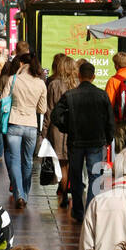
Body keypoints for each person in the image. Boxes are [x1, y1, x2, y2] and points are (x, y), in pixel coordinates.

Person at [52, 60, 116, 223]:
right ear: (93, 77)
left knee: (76, 176)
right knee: (95, 176)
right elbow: (110, 120)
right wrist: (108, 138)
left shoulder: (70, 95)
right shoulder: (102, 95)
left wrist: (67, 126)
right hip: (96, 141)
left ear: (79, 76)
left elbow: (56, 115)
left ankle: (78, 211)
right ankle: (91, 210)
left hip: (76, 141)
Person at [0, 52, 47, 209]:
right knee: (27, 160)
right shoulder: (40, 83)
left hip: (14, 122)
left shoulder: (13, 80)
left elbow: (3, 100)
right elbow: (42, 109)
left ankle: (18, 193)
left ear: (21, 64)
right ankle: (25, 193)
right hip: (31, 125)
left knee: (14, 159)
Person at [43, 54, 78, 209]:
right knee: (72, 163)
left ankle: (63, 194)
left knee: (62, 164)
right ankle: (71, 191)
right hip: (75, 128)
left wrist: (44, 131)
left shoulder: (54, 84)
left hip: (57, 129)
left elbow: (49, 111)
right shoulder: (78, 84)